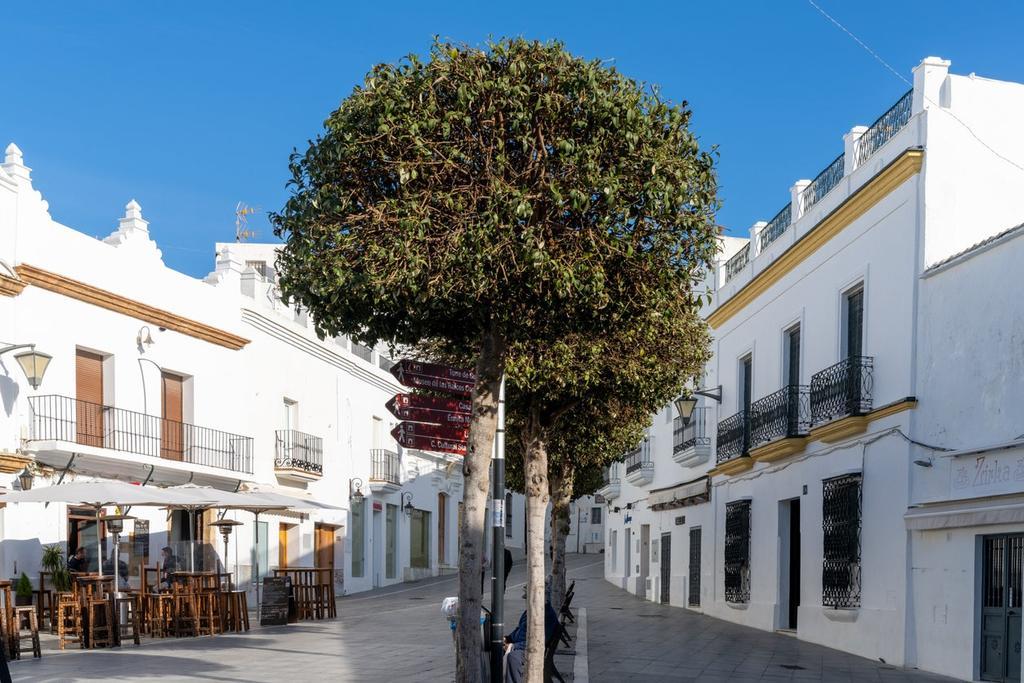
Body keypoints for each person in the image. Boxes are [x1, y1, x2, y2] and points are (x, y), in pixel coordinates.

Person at [503, 584, 559, 683]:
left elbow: (538, 641)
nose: (526, 600)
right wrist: (507, 638)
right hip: (521, 645)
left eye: (527, 597)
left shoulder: (546, 614)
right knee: (494, 646)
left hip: (532, 648)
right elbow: (520, 629)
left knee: (513, 657)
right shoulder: (530, 610)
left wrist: (513, 646)